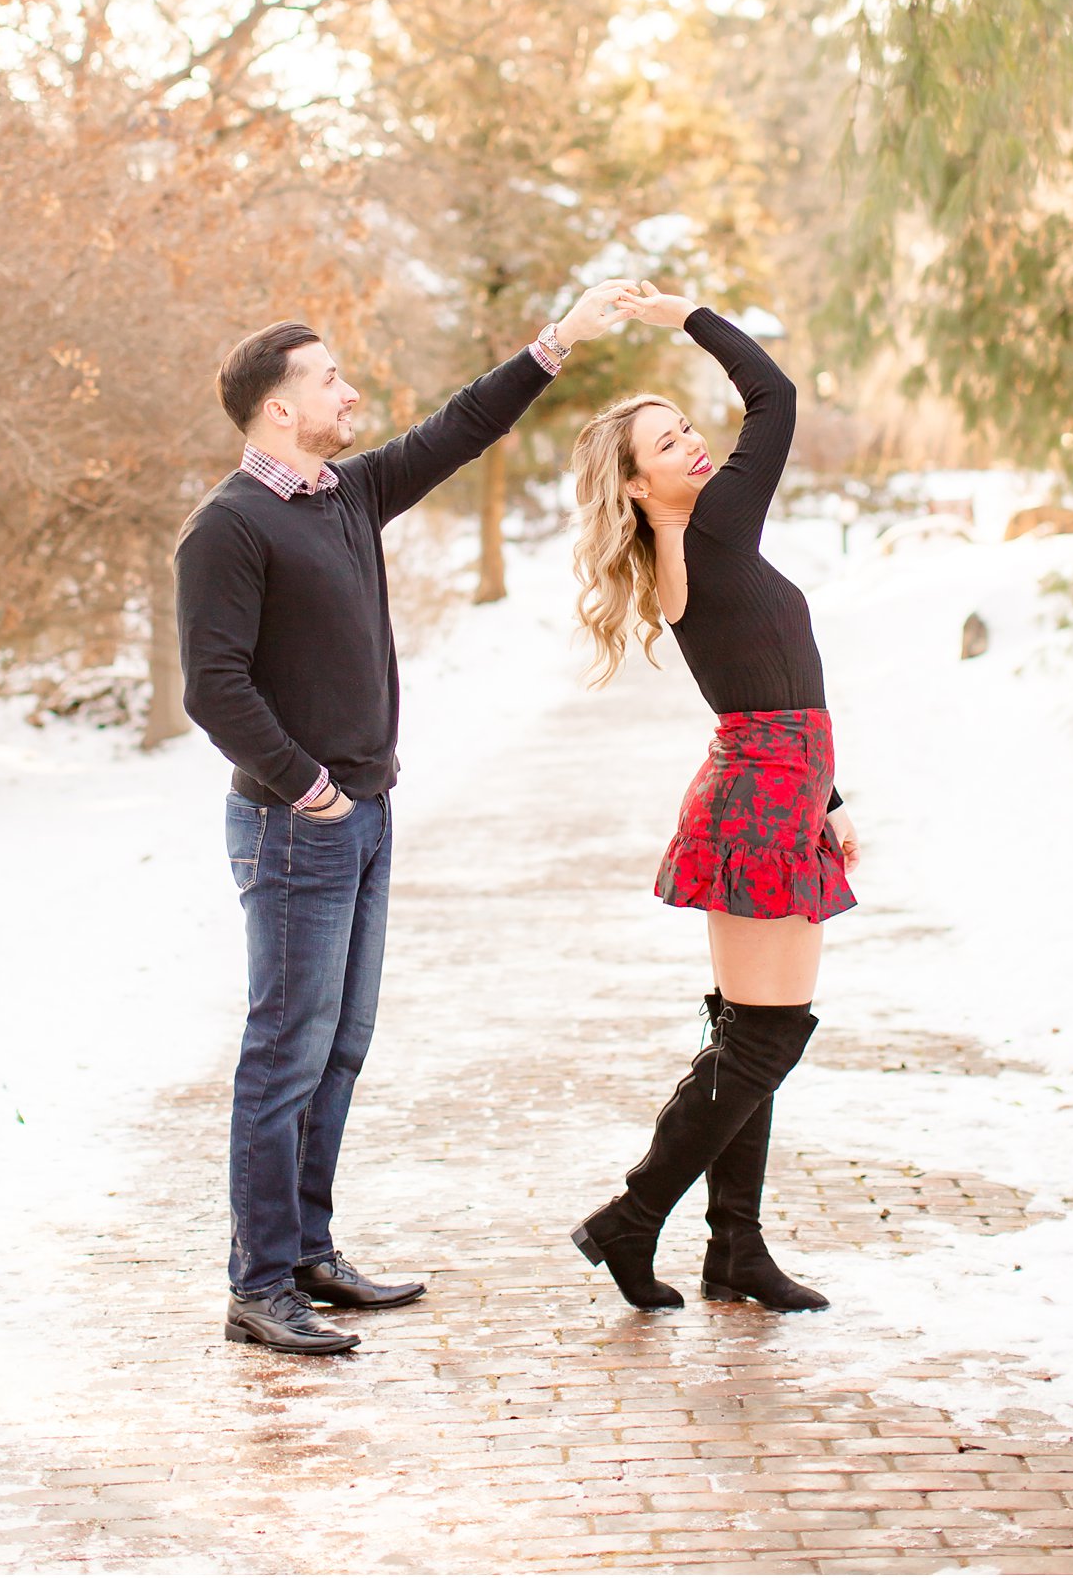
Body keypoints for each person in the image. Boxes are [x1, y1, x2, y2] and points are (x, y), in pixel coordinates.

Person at [174, 283, 630, 1355]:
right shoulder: (226, 527)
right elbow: (213, 688)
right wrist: (313, 789)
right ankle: (256, 1284)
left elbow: (459, 428)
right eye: (327, 378)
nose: (349, 391)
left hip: (364, 816)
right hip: (300, 827)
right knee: (283, 1051)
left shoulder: (344, 493)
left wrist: (556, 344)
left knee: (338, 1047)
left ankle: (306, 1254)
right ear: (277, 408)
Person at [567, 281, 860, 1312]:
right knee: (767, 1036)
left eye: (689, 429)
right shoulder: (713, 530)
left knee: (749, 1031)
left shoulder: (690, 548)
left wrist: (828, 803)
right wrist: (684, 315)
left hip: (771, 788)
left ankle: (731, 1249)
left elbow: (771, 683)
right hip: (761, 793)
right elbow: (773, 396)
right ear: (639, 488)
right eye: (667, 444)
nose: (695, 447)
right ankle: (631, 1218)